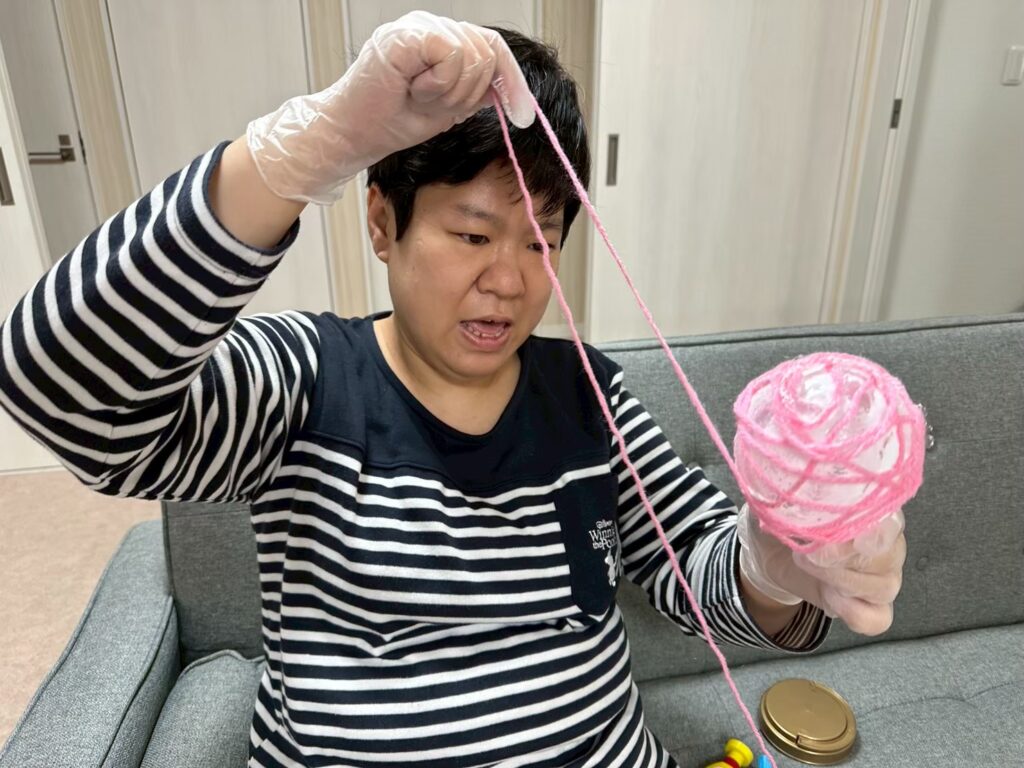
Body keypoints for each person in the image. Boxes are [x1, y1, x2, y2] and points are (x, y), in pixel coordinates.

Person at [0, 12, 906, 768]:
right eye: (473, 235)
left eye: (541, 239)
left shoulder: (588, 396)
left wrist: (775, 567)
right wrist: (298, 152)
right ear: (382, 222)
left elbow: (696, 575)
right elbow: (63, 392)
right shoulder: (304, 381)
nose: (509, 281)